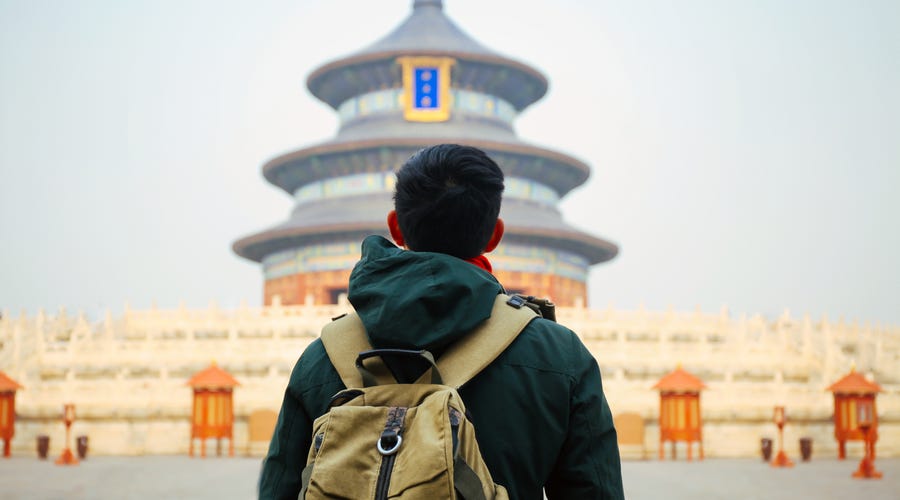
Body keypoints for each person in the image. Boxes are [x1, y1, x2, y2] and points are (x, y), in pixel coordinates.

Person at [258, 144, 624, 500]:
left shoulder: (323, 356)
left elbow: (279, 490)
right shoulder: (560, 356)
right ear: (494, 235)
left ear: (395, 227)